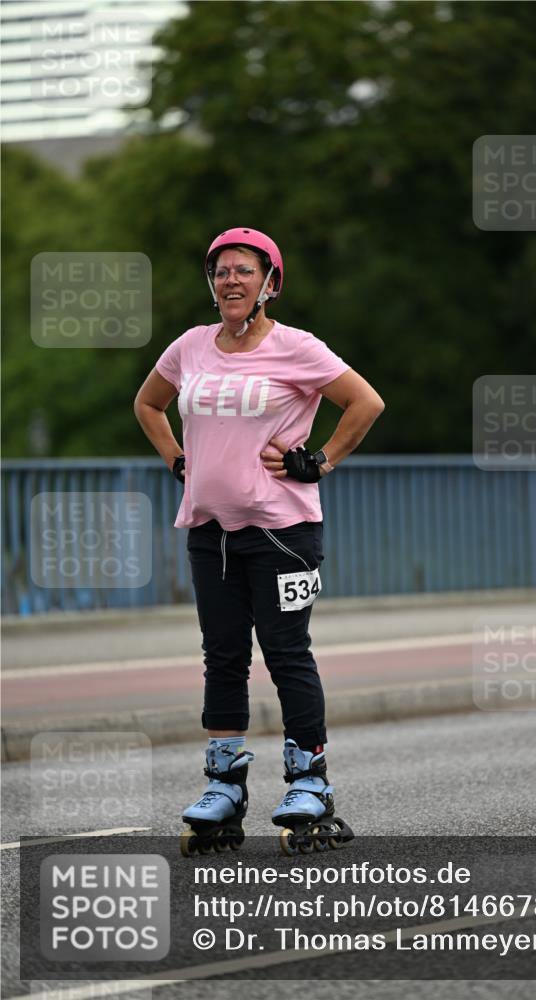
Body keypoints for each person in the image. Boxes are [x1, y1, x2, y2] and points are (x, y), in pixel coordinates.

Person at [134, 226, 384, 855]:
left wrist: (319, 460)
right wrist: (175, 459)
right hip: (209, 530)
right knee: (222, 657)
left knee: (285, 654)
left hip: (282, 532)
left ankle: (309, 782)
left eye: (245, 270)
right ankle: (224, 785)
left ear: (270, 282)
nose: (231, 281)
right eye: (220, 271)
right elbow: (148, 404)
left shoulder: (296, 348)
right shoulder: (191, 347)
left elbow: (365, 403)